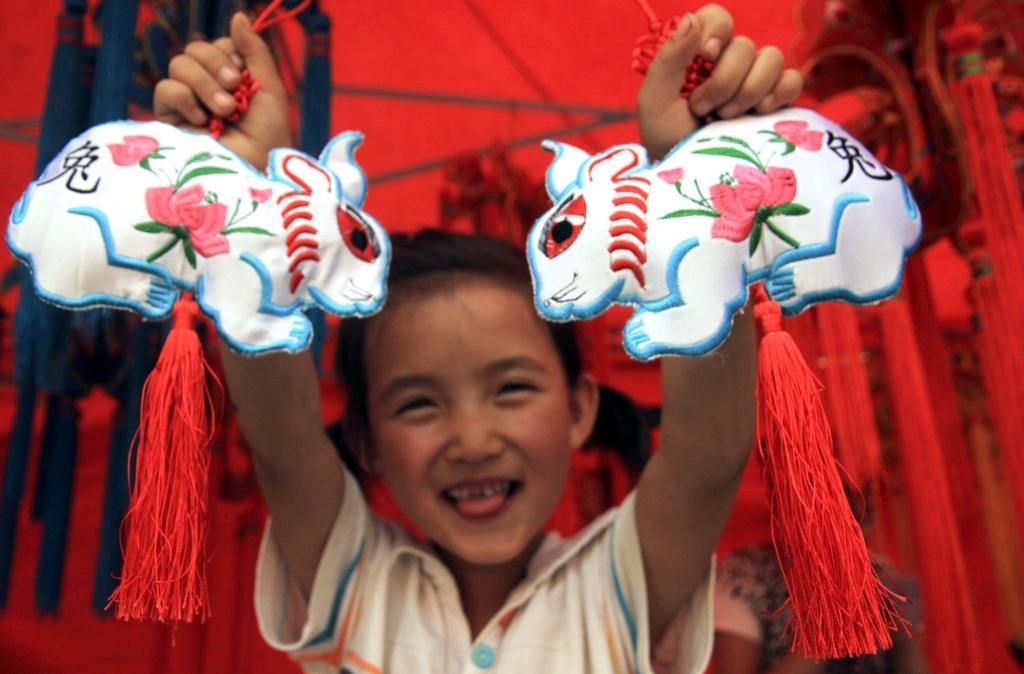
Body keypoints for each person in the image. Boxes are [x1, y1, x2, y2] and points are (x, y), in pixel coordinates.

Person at [154, 5, 803, 672]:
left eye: (511, 389)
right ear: (366, 440)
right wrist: (250, 197)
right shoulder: (352, 576)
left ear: (580, 408)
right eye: (418, 404)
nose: (472, 442)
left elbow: (707, 455)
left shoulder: (621, 585)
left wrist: (696, 182)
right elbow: (283, 444)